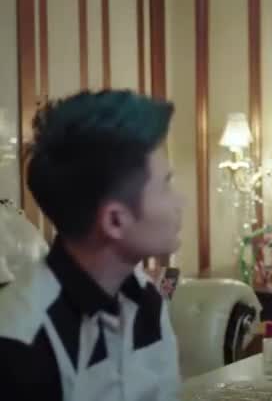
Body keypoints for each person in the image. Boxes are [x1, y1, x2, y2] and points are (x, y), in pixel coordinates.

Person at [0, 90, 184, 400]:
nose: (180, 202)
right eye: (165, 185)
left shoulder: (146, 301)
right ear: (114, 220)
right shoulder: (21, 341)